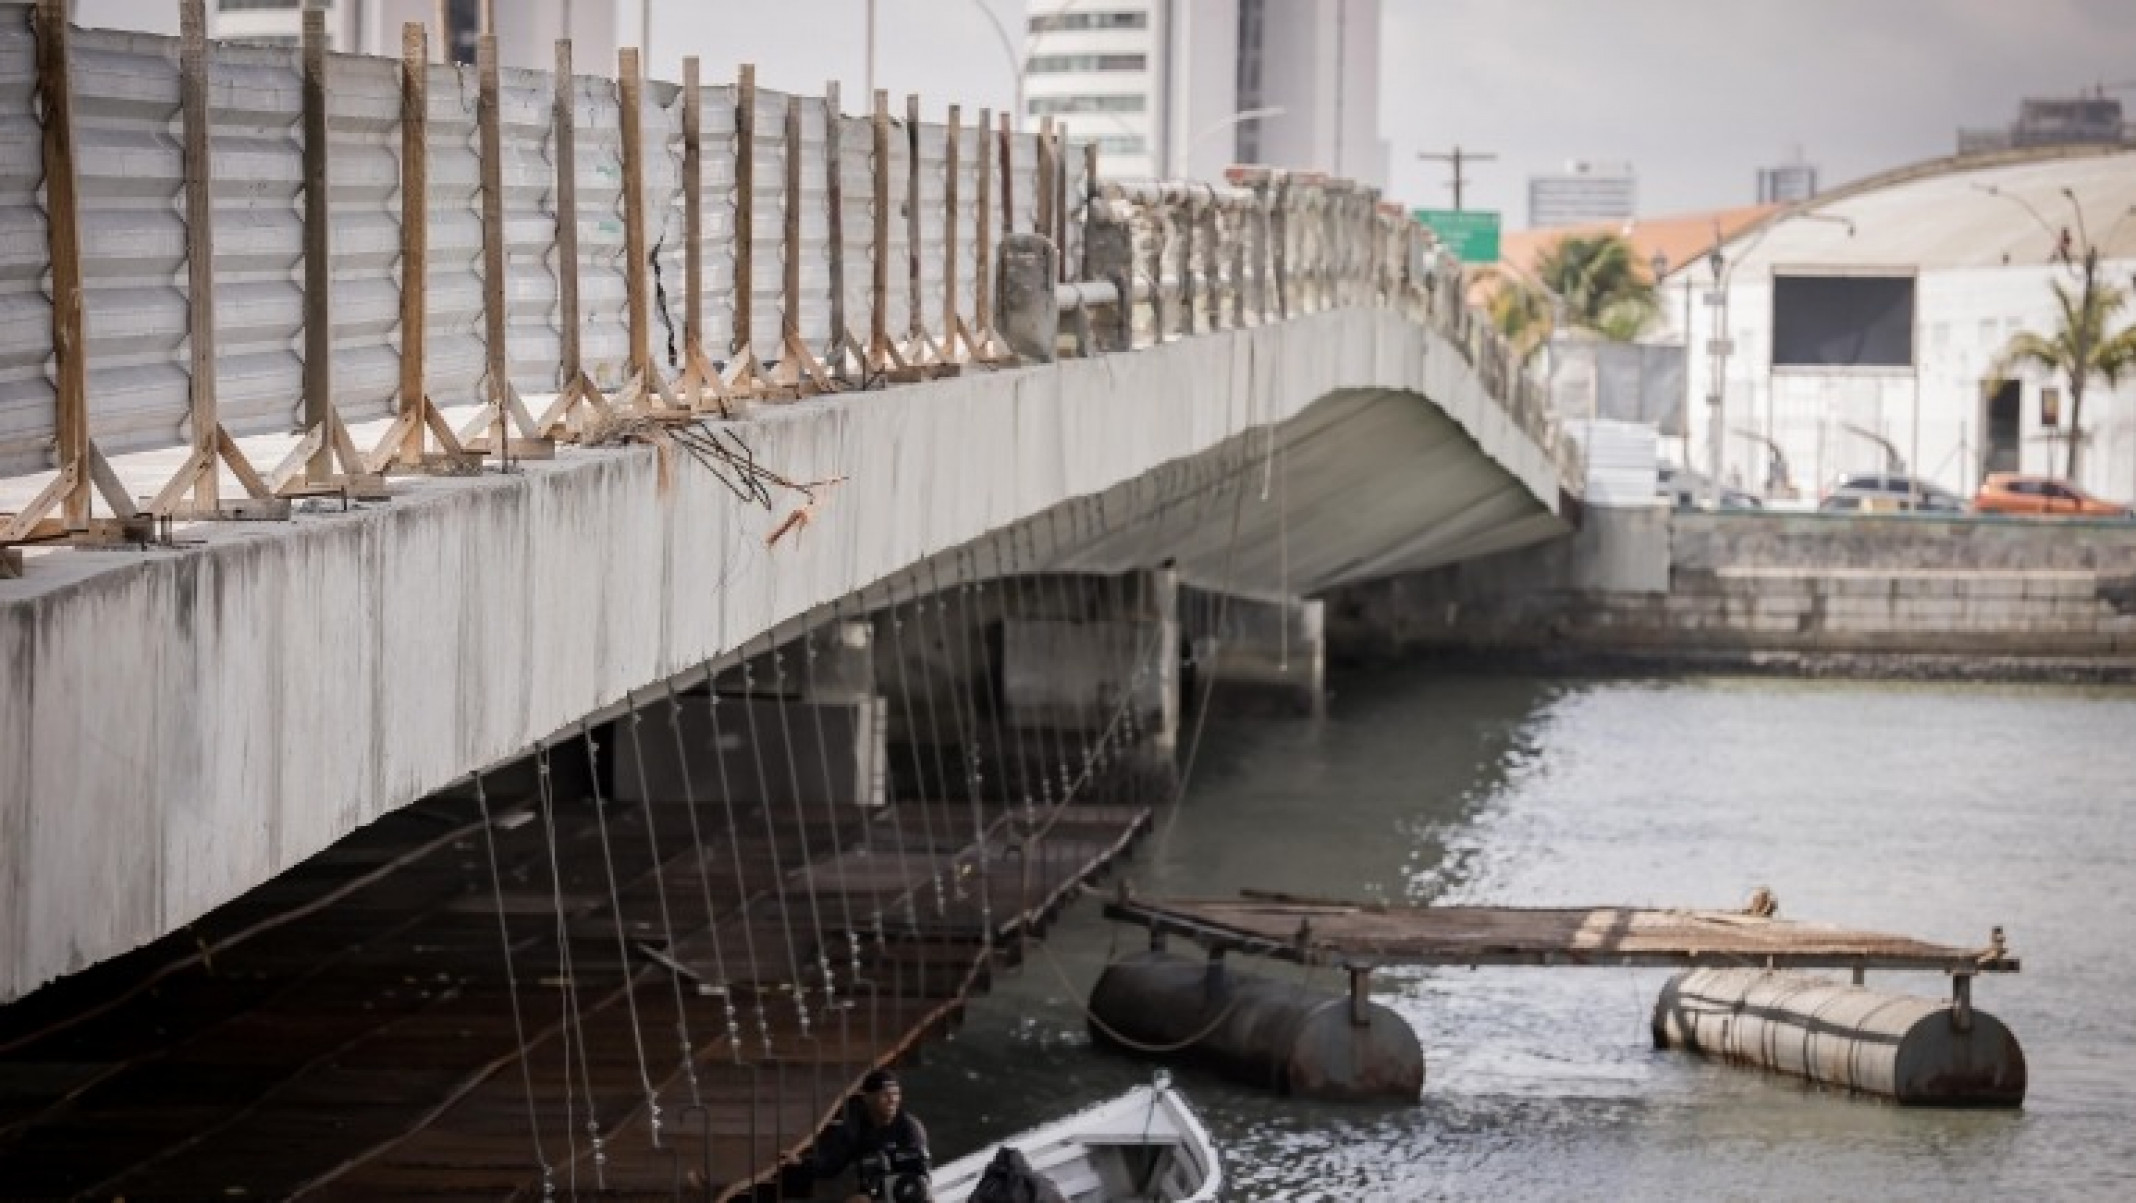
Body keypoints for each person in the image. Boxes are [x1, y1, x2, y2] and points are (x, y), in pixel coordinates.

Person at [805, 1069, 931, 1203]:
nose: (892, 1100)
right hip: (872, 1192)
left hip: (908, 1190)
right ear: (867, 1097)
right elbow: (832, 1164)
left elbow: (920, 1174)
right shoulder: (856, 1127)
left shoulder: (910, 1127)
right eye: (885, 1094)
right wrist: (802, 1162)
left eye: (896, 1094)